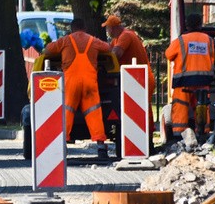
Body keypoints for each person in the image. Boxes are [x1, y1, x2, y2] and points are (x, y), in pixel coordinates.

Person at [43, 17, 113, 159]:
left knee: (67, 112)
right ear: (84, 28)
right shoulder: (93, 41)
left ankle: (62, 145)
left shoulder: (65, 40)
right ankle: (101, 147)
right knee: (94, 113)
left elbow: (48, 50)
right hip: (89, 83)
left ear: (72, 29)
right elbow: (108, 48)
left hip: (71, 83)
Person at [164, 13, 215, 140]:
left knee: (180, 106)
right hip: (203, 80)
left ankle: (179, 134)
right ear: (200, 24)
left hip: (183, 81)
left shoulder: (181, 40)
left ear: (187, 25)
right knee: (202, 105)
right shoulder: (209, 40)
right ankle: (203, 132)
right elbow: (212, 57)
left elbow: (168, 55)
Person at [103, 15, 155, 133]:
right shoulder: (117, 39)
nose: (107, 31)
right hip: (136, 77)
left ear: (113, 28)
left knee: (143, 109)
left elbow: (115, 54)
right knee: (140, 109)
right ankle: (144, 137)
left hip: (141, 77)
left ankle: (148, 137)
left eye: (108, 28)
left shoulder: (125, 35)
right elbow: (109, 50)